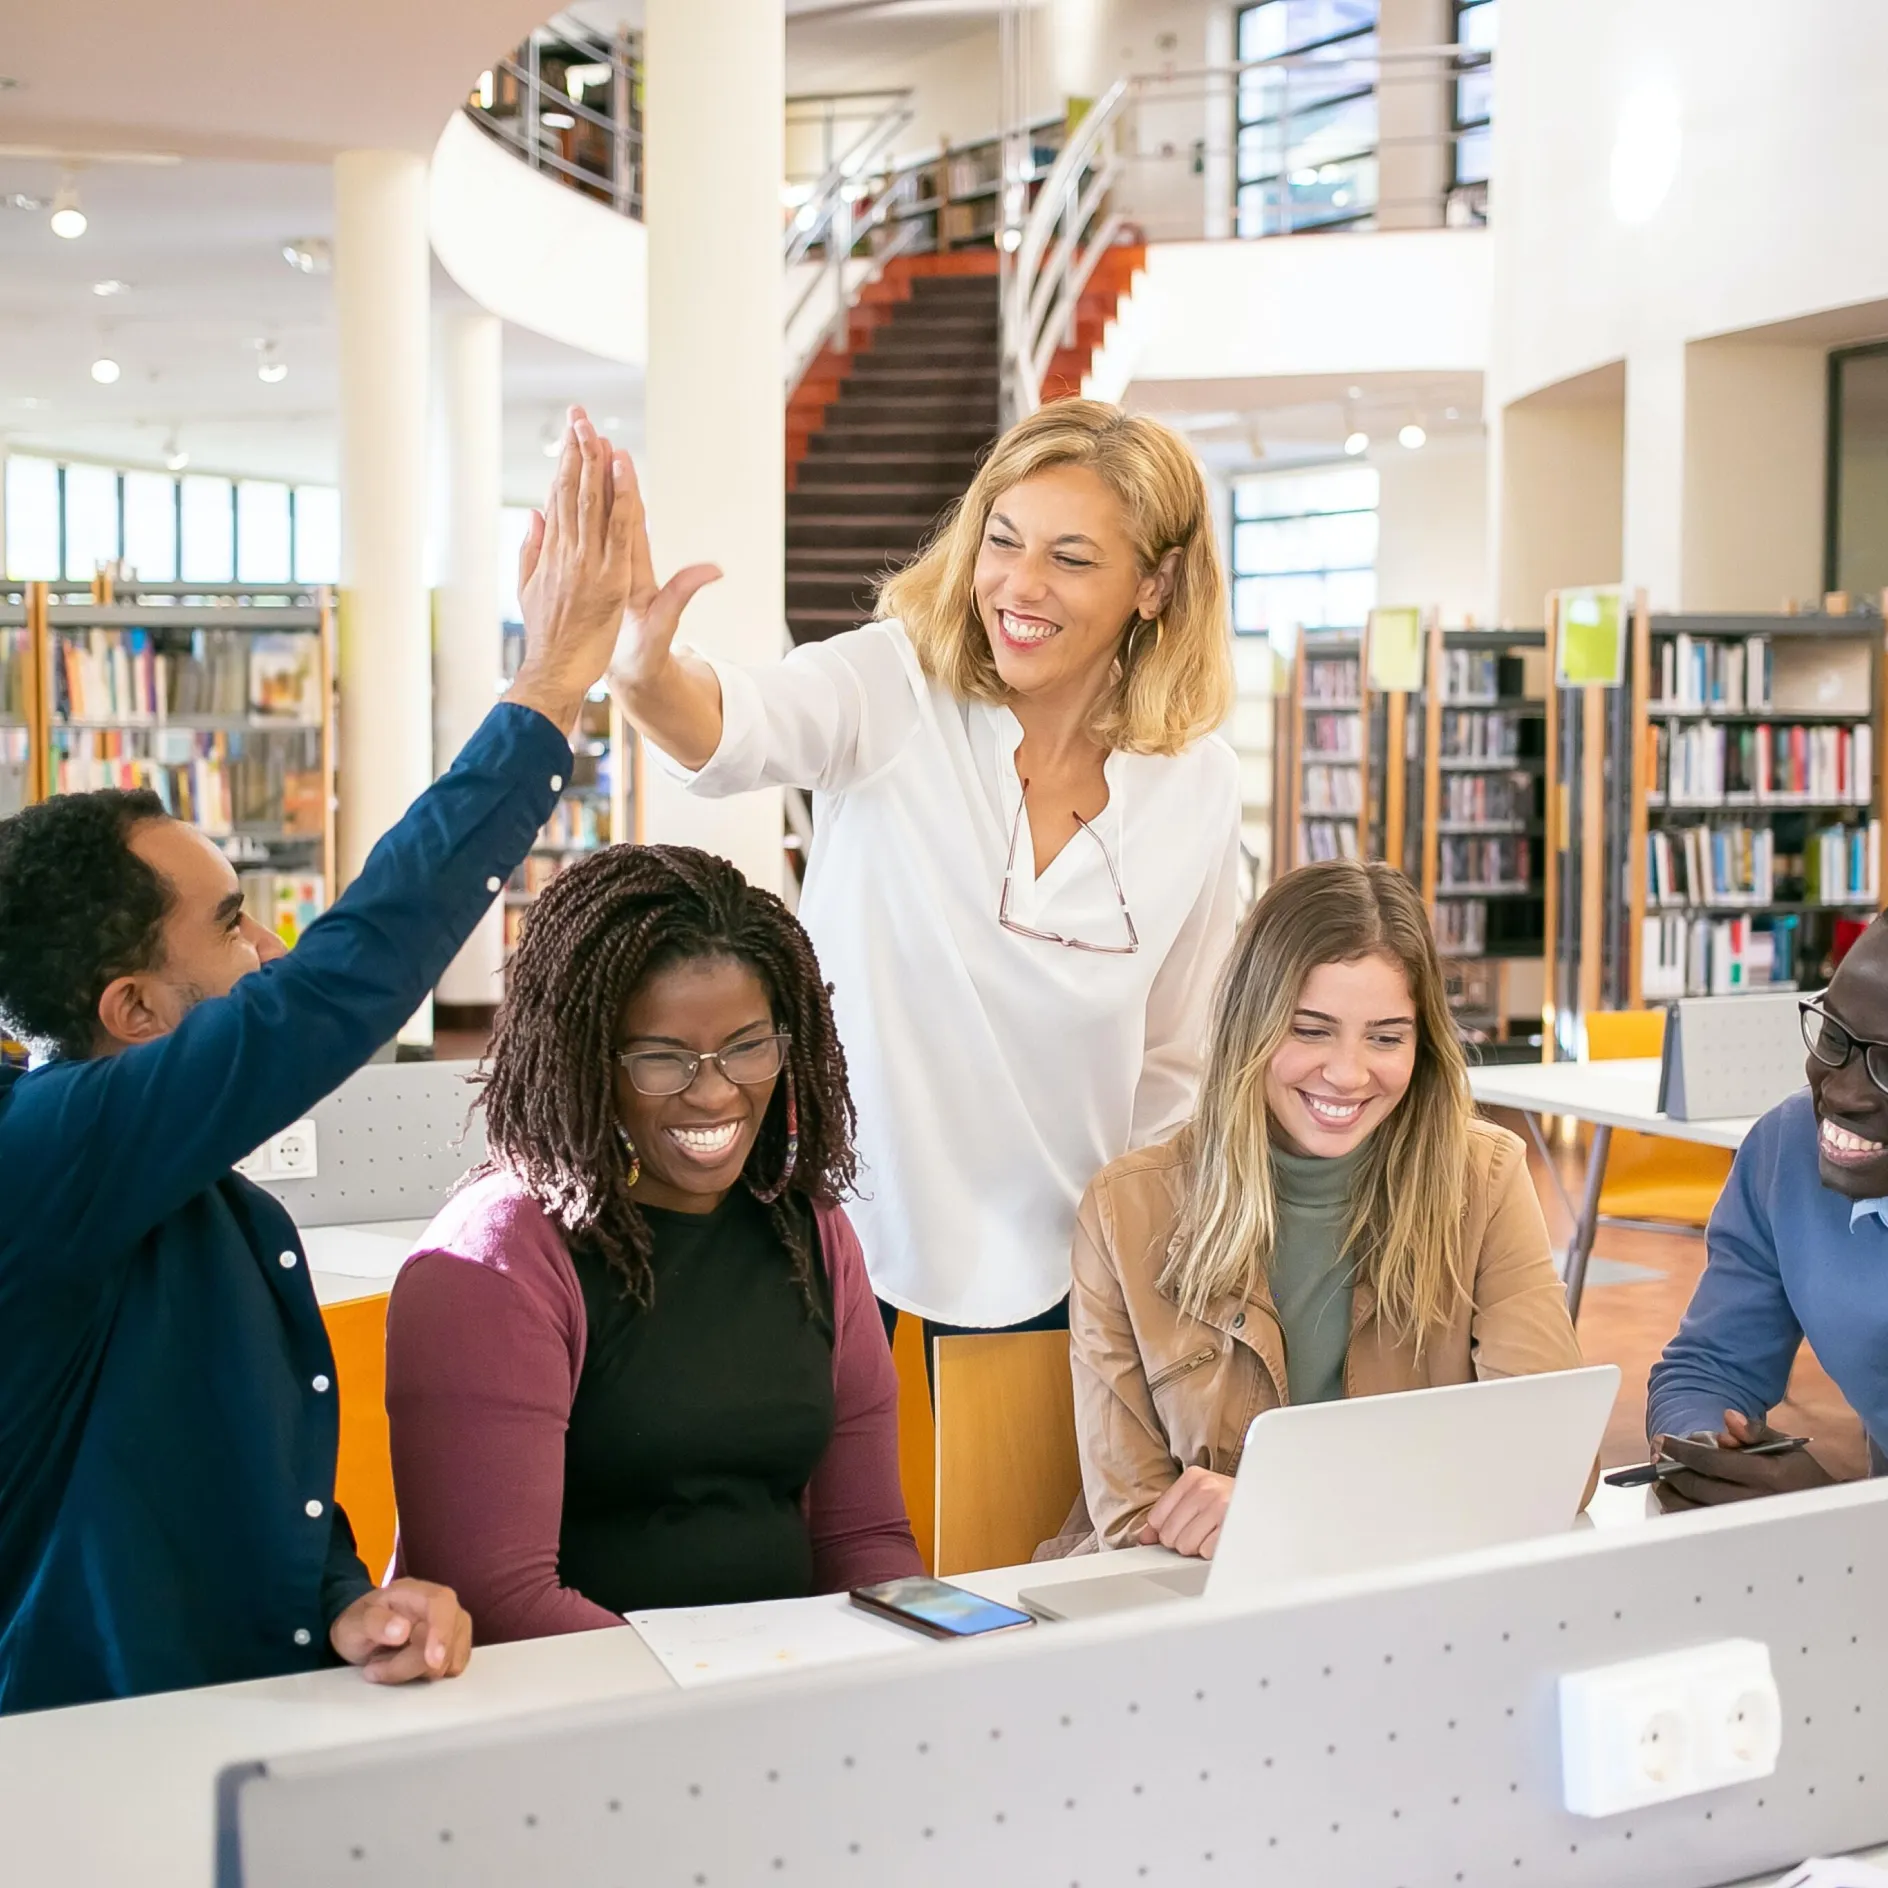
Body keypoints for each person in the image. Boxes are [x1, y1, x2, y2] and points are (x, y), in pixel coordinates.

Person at [0, 410, 639, 1712]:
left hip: (244, 1729)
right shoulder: (45, 1156)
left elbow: (235, 1478)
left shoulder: (195, 1202)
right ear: (129, 1010)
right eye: (232, 924)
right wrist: (545, 694)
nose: (271, 946)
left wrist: (348, 1602)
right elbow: (347, 979)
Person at [602, 399, 1241, 1351]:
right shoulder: (896, 686)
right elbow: (745, 722)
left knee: (1022, 1508)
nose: (1019, 586)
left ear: (1155, 585)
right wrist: (648, 677)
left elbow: (1176, 1061)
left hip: (1071, 1279)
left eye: (1071, 558)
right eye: (1003, 541)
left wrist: (1136, 1266)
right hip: (844, 1250)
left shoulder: (1197, 780)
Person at [384, 846, 920, 1635]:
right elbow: (497, 1601)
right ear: (584, 1060)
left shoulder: (811, 1232)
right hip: (582, 1720)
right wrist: (726, 1694)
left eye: (747, 1046)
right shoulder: (495, 1260)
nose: (713, 1092)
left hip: (781, 1700)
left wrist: (937, 1647)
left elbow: (864, 1539)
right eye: (663, 1060)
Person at [1063, 858, 1585, 1558]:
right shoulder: (1124, 1211)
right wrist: (1395, 1504)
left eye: (1386, 1037)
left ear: (1422, 1044)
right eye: (1310, 1030)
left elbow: (1557, 1465)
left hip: (1411, 1594)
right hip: (1198, 1611)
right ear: (1253, 1027)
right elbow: (1134, 1525)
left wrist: (1285, 1509)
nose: (1347, 1072)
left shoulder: (1484, 1180)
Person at [1647, 916, 1888, 1506]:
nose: (1842, 1092)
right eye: (1835, 1036)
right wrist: (1711, 1452)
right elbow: (1710, 1369)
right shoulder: (1788, 1149)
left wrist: (1833, 1518)